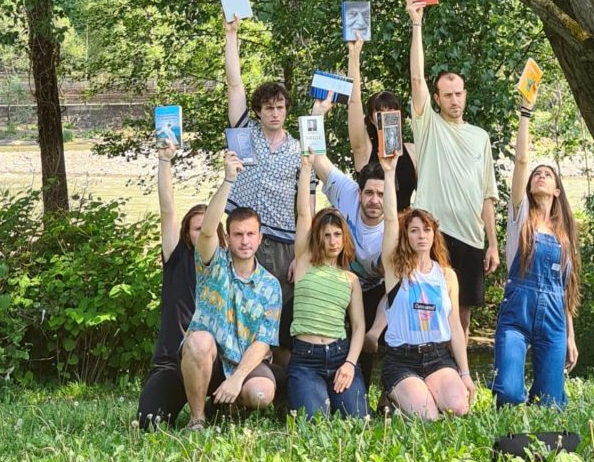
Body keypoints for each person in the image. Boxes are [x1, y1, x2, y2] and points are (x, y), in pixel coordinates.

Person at [224, 15, 317, 367]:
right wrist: (231, 35)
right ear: (259, 111)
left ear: (286, 110)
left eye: (280, 107)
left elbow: (306, 207)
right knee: (241, 310)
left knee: (279, 320)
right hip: (243, 236)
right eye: (268, 108)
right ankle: (238, 377)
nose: (274, 113)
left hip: (283, 244)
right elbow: (234, 85)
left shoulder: (299, 150)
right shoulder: (245, 135)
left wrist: (302, 254)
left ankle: (277, 387)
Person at [405, 0, 499, 340]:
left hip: (473, 239)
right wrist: (417, 23)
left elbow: (488, 195)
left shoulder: (480, 137)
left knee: (462, 316)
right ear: (438, 98)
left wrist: (492, 243)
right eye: (447, 94)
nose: (454, 99)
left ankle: (460, 381)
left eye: (459, 93)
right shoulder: (428, 126)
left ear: (465, 95)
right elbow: (417, 80)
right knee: (430, 308)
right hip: (436, 234)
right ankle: (430, 375)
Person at [179, 151, 283, 431]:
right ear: (229, 236)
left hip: (245, 365)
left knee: (262, 395)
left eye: (251, 234)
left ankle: (232, 405)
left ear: (260, 238)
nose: (245, 241)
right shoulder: (213, 264)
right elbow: (207, 230)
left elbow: (263, 342)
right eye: (238, 234)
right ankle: (198, 418)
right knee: (199, 342)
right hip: (209, 361)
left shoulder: (270, 286)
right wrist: (228, 180)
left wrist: (237, 378)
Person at [490, 96, 581, 408]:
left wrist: (570, 336)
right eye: (536, 174)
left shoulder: (565, 236)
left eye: (548, 174)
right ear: (529, 186)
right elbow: (521, 162)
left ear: (557, 190)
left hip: (554, 320)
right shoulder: (520, 220)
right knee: (509, 394)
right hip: (518, 314)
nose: (540, 176)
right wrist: (525, 113)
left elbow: (565, 290)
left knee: (551, 404)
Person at [135, 137, 226, 429]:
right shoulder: (176, 258)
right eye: (197, 228)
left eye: (208, 228)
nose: (203, 233)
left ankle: (212, 408)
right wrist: (164, 161)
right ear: (187, 233)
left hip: (213, 364)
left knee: (236, 415)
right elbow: (168, 211)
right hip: (171, 364)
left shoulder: (226, 265)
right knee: (149, 423)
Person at [378, 151, 475, 419]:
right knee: (428, 418)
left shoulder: (446, 276)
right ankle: (394, 396)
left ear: (434, 235)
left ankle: (429, 390)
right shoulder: (396, 270)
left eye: (427, 230)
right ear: (405, 236)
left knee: (458, 408)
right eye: (414, 230)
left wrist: (464, 373)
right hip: (401, 359)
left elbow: (455, 325)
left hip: (438, 358)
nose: (421, 235)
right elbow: (389, 220)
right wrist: (389, 172)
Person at [286, 147, 369, 419]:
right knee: (314, 421)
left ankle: (342, 384)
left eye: (337, 235)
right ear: (318, 238)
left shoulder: (351, 279)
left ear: (344, 239)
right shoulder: (304, 262)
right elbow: (303, 215)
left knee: (357, 420)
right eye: (327, 235)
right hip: (305, 359)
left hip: (339, 356)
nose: (333, 241)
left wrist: (349, 364)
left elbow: (358, 327)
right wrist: (307, 167)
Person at [345, 35, 417, 210]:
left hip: (404, 231)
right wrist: (354, 56)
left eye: (391, 111)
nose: (386, 118)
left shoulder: (413, 151)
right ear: (371, 118)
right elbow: (354, 102)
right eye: (380, 113)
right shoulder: (365, 149)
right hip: (373, 231)